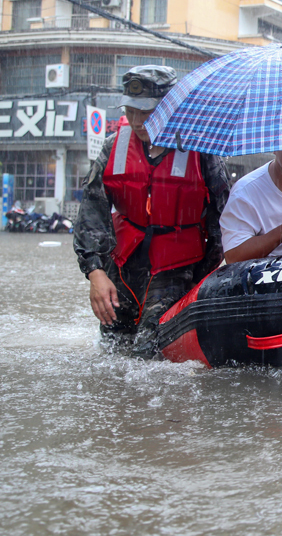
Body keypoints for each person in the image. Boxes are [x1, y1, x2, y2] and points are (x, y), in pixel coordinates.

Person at [74, 65, 230, 358]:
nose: (136, 121)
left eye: (146, 112)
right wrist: (96, 273)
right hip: (122, 266)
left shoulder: (202, 150)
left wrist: (200, 280)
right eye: (130, 111)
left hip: (176, 267)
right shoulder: (113, 147)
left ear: (171, 108)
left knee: (148, 355)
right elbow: (91, 213)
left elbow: (222, 222)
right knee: (111, 352)